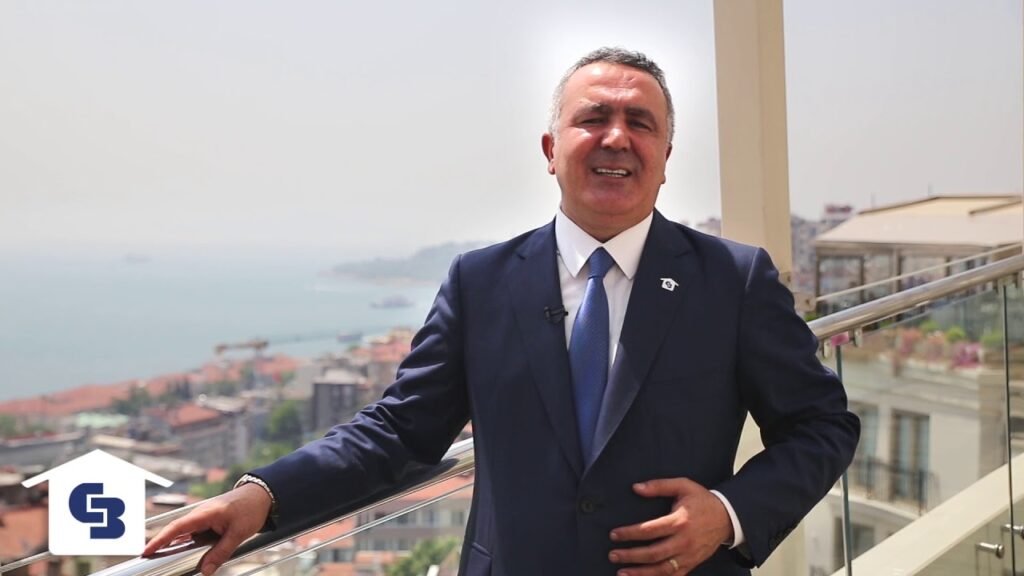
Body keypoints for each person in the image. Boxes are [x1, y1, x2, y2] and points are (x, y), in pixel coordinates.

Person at [145, 47, 859, 576]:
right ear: (551, 149)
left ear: (665, 156)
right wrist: (262, 495)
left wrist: (728, 515)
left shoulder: (733, 281)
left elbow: (822, 424)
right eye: (593, 118)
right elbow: (400, 429)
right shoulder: (480, 282)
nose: (616, 137)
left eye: (640, 123)